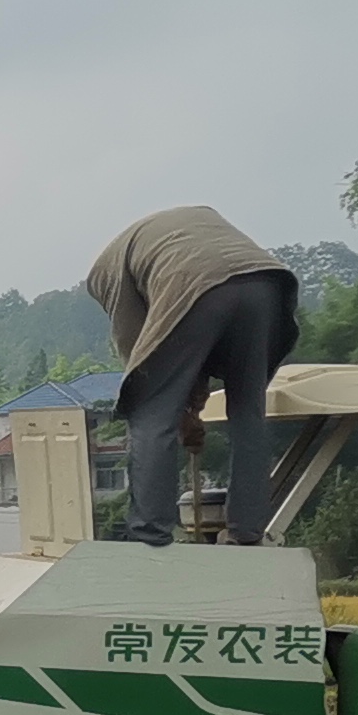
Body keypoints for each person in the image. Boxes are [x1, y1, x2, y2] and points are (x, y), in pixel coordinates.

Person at [85, 205, 303, 546]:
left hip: (195, 282)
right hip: (265, 286)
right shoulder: (165, 239)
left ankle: (149, 534)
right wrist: (191, 412)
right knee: (249, 413)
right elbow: (188, 350)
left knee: (150, 414)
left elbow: (143, 355)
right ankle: (246, 531)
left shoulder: (108, 273)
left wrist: (175, 412)